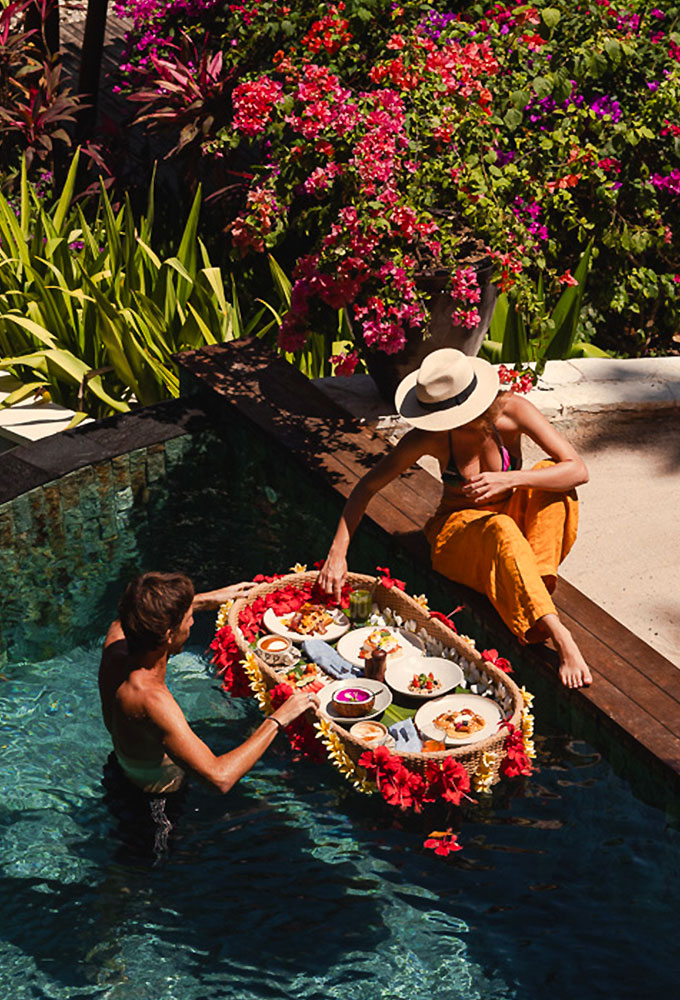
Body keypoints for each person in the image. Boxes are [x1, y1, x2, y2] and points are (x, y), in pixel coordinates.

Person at [318, 348, 592, 689]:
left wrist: (511, 479)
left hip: (510, 520)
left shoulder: (512, 412)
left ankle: (532, 589)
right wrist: (337, 553)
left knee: (551, 476)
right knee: (501, 528)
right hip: (458, 533)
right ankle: (559, 634)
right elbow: (366, 487)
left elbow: (577, 470)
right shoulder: (429, 438)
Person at [99, 571, 319, 801]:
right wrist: (279, 718)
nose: (192, 621)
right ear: (168, 634)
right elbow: (219, 779)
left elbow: (127, 617)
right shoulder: (152, 701)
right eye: (187, 618)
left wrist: (204, 600)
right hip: (154, 803)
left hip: (124, 769)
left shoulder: (116, 645)